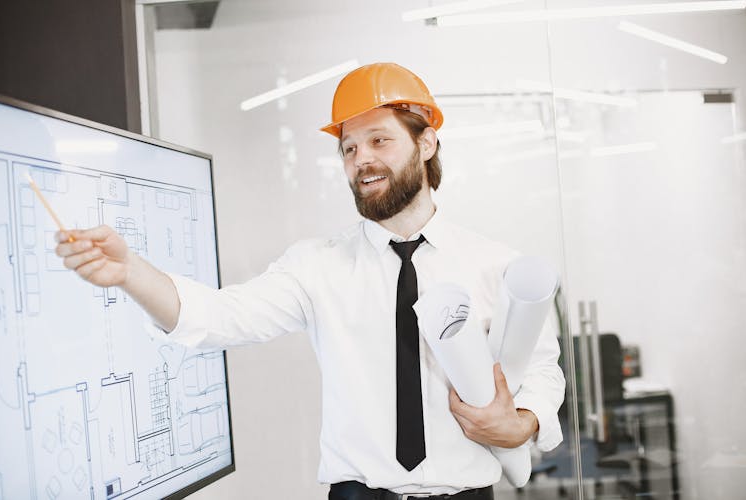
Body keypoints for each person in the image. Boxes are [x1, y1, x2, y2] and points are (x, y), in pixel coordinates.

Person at [55, 62, 565, 499]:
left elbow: (543, 369)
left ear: (427, 142)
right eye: (348, 148)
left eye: (379, 140)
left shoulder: (495, 264)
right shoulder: (316, 266)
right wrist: (131, 273)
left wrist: (523, 422)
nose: (360, 159)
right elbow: (219, 318)